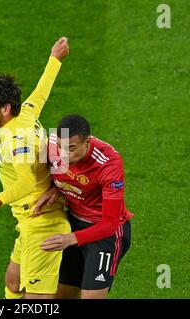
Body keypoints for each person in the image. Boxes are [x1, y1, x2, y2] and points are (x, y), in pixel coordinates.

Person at [0, 38, 71, 299]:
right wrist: (55, 58)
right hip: (28, 222)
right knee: (13, 282)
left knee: (37, 300)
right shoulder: (25, 113)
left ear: (5, 108)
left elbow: (25, 183)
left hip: (42, 224)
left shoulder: (16, 141)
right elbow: (42, 92)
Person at [34, 114, 133, 299]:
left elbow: (110, 223)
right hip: (73, 222)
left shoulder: (108, 164)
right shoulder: (53, 145)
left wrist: (72, 238)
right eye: (61, 148)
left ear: (87, 142)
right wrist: (56, 189)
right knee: (61, 295)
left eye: (71, 149)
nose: (64, 155)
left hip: (105, 234)